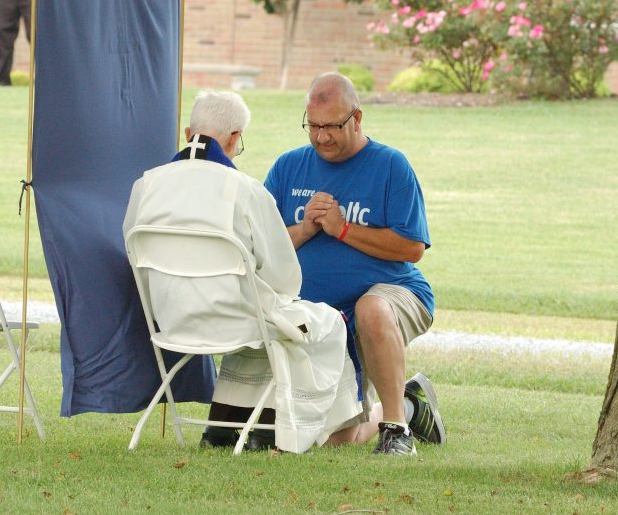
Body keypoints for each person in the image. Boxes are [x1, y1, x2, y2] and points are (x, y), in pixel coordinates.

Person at [122, 91, 363, 454]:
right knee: (322, 324)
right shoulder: (245, 190)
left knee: (271, 322)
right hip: (234, 321)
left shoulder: (146, 184)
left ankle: (227, 424)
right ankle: (291, 429)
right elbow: (284, 277)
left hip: (170, 320)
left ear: (190, 132)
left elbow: (134, 253)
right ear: (235, 138)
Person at [264, 72, 445, 456]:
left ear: (357, 119)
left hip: (392, 294)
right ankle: (413, 404)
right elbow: (261, 246)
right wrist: (306, 228)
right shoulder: (287, 168)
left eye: (332, 126)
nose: (321, 137)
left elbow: (412, 247)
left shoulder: (391, 166)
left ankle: (397, 431)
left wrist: (344, 229)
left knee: (371, 308)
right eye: (312, 126)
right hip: (316, 317)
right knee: (334, 441)